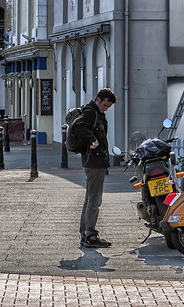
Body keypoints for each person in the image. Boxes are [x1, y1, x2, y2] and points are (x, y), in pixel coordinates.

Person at [70, 87, 117, 249]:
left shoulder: (93, 111)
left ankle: (85, 233)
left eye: (108, 107)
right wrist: (92, 140)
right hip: (94, 162)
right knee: (95, 200)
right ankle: (90, 234)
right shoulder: (91, 112)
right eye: (105, 105)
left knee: (89, 199)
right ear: (98, 100)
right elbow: (78, 126)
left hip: (92, 161)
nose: (106, 109)